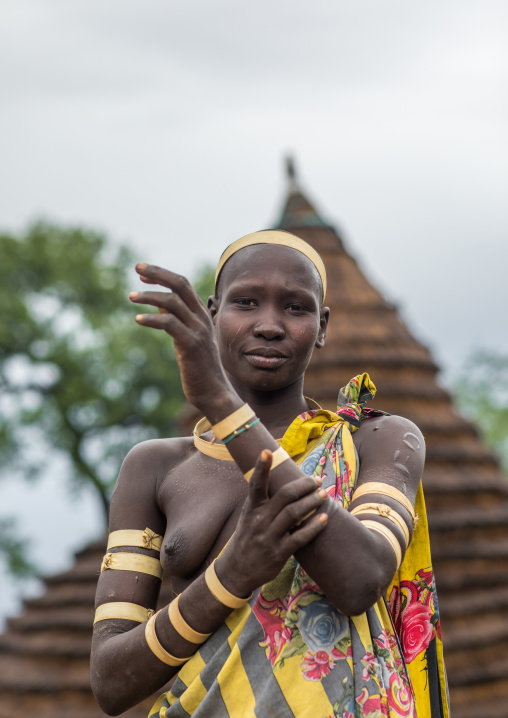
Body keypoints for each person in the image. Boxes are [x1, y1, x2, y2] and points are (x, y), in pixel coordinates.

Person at [91, 230, 449, 718]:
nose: (269, 325)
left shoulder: (376, 440)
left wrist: (222, 403)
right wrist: (231, 574)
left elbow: (361, 580)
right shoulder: (154, 468)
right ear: (213, 314)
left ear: (322, 327)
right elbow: (111, 682)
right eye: (246, 302)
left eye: (296, 308)